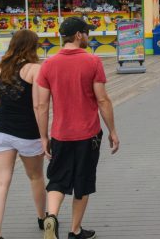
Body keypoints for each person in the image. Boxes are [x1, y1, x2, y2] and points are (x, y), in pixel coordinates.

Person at [36, 17, 120, 239]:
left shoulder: (48, 65)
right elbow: (102, 100)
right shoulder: (92, 62)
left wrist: (44, 137)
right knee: (82, 182)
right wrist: (112, 130)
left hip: (60, 134)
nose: (88, 36)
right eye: (87, 32)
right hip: (88, 134)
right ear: (78, 35)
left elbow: (42, 105)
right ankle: (75, 230)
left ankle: (51, 217)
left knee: (57, 179)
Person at [0, 30, 46, 239]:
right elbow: (39, 105)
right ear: (33, 46)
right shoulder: (34, 69)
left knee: (1, 182)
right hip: (27, 132)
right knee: (36, 176)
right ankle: (42, 217)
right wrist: (44, 135)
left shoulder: (0, 69)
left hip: (0, 131)